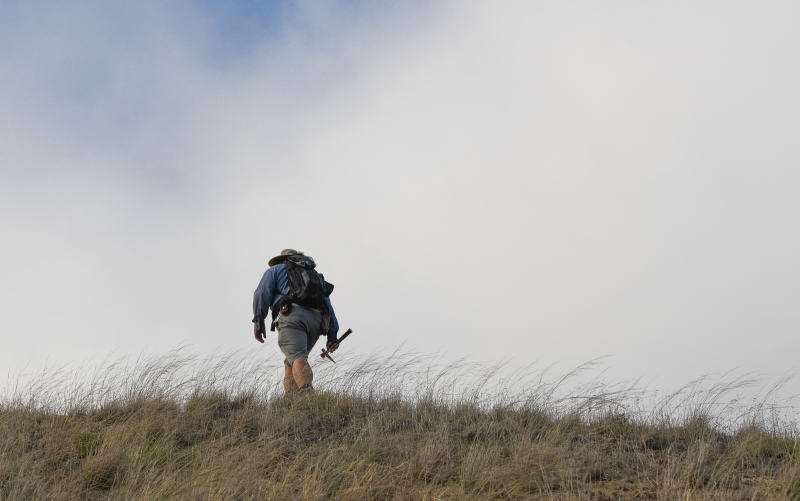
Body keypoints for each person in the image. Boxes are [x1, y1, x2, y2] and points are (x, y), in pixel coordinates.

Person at [253, 249, 340, 393]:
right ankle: (291, 403)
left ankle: (308, 397)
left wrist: (258, 322)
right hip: (317, 321)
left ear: (282, 260)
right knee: (290, 361)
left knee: (297, 357)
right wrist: (332, 335)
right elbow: (328, 306)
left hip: (292, 316)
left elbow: (262, 292)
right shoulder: (315, 276)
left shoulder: (276, 269)